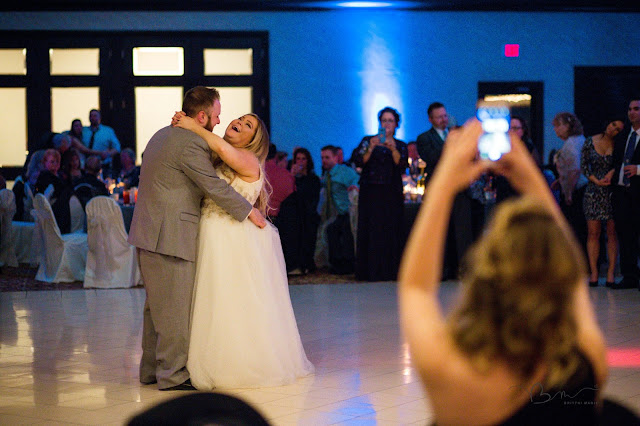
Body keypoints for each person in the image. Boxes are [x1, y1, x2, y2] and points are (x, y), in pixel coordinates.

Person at [399, 119, 608, 425]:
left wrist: (443, 182)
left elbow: (415, 288)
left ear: (483, 274)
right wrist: (531, 179)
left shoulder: (451, 371)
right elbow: (573, 275)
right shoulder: (584, 361)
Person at [127, 86, 266, 391]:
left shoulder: (163, 134)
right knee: (174, 310)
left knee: (156, 308)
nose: (219, 121)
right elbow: (212, 187)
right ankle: (173, 376)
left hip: (150, 231)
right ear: (202, 116)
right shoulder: (190, 143)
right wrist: (250, 212)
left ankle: (150, 370)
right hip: (170, 234)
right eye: (216, 115)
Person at [172, 110, 314, 390]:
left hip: (230, 238)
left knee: (230, 301)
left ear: (253, 141)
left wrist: (190, 124)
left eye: (247, 125)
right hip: (213, 233)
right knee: (211, 300)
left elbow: (222, 147)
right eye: (239, 119)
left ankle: (235, 365)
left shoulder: (247, 159)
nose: (238, 122)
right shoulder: (221, 157)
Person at [417, 101, 475, 280]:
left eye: (445, 116)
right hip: (438, 188)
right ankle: (442, 270)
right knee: (440, 231)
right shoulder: (424, 138)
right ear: (430, 119)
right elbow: (432, 158)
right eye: (439, 117)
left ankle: (465, 270)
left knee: (463, 230)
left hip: (459, 187)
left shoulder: (458, 134)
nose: (443, 119)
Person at [351, 106, 408, 281]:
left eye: (390, 120)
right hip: (371, 192)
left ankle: (391, 271)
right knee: (371, 229)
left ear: (396, 124)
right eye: (384, 120)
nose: (387, 124)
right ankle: (369, 271)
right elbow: (358, 161)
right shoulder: (368, 140)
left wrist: (393, 149)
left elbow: (402, 165)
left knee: (391, 229)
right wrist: (370, 148)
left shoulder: (400, 145)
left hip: (391, 191)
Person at [581, 119, 624, 287]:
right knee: (593, 233)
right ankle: (594, 273)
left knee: (612, 234)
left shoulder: (619, 145)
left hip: (612, 191)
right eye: (613, 124)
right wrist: (595, 181)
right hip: (593, 190)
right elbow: (584, 166)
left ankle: (611, 273)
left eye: (618, 129)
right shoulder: (590, 141)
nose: (614, 129)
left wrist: (612, 172)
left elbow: (621, 163)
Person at [610, 98, 640, 290]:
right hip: (622, 192)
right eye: (629, 109)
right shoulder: (623, 137)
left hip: (638, 191)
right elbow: (617, 163)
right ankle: (629, 276)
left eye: (636, 109)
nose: (632, 112)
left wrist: (639, 169)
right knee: (625, 235)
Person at [316, 145, 360, 274]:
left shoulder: (344, 172)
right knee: (331, 229)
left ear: (336, 158)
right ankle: (336, 263)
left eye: (327, 157)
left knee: (344, 232)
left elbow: (356, 181)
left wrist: (354, 187)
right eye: (322, 158)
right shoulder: (328, 175)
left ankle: (347, 264)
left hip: (349, 212)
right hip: (338, 213)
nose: (324, 160)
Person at [552, 112, 588, 257]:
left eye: (558, 126)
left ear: (567, 126)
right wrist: (560, 181)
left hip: (577, 190)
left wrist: (568, 192)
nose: (555, 129)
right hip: (579, 188)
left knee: (575, 228)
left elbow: (575, 169)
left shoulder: (572, 144)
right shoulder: (578, 140)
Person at [264, 142, 298, 274]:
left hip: (256, 219)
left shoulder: (252, 171)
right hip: (281, 222)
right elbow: (291, 198)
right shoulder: (285, 175)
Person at [291, 147, 321, 273]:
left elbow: (313, 197)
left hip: (309, 213)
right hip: (296, 212)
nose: (301, 162)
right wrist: (292, 176)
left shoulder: (313, 179)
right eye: (298, 159)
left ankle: (308, 263)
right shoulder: (293, 178)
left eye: (303, 159)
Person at [34, 148, 72, 234]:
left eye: (57, 162)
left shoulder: (61, 176)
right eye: (52, 162)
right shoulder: (44, 177)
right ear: (45, 163)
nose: (55, 164)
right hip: (54, 210)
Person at [82, 109, 121, 177]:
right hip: (85, 166)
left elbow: (117, 147)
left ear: (99, 117)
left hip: (102, 165)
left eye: (95, 116)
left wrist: (108, 154)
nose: (93, 118)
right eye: (91, 116)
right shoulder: (84, 131)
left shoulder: (108, 131)